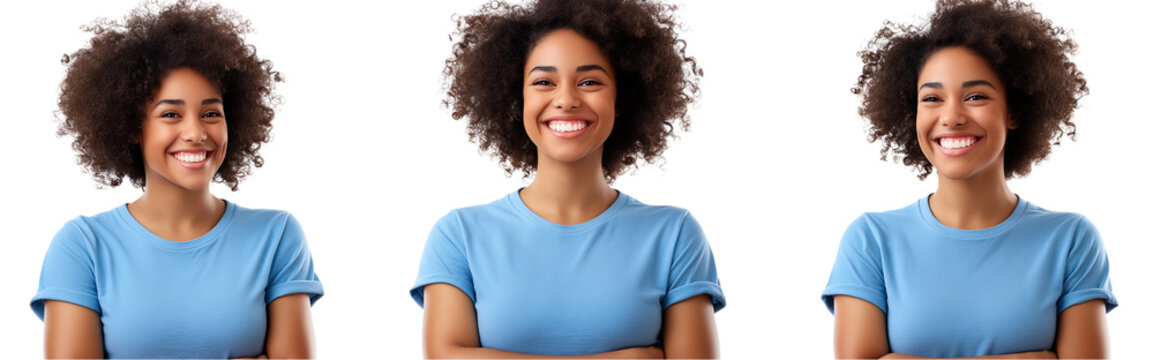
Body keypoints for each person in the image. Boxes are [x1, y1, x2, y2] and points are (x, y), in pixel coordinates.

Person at [410, 0, 724, 358]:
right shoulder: (460, 235)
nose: (566, 99)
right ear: (518, 98)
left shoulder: (674, 234)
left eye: (589, 81)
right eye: (544, 81)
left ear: (621, 97)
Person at [822, 0, 1115, 358]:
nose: (952, 116)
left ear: (1014, 111)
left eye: (975, 96)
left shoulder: (1070, 240)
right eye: (932, 98)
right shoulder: (871, 241)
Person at [31, 1, 322, 358]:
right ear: (133, 127)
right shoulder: (83, 247)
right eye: (171, 113)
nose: (196, 132)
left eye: (211, 113)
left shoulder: (276, 236)